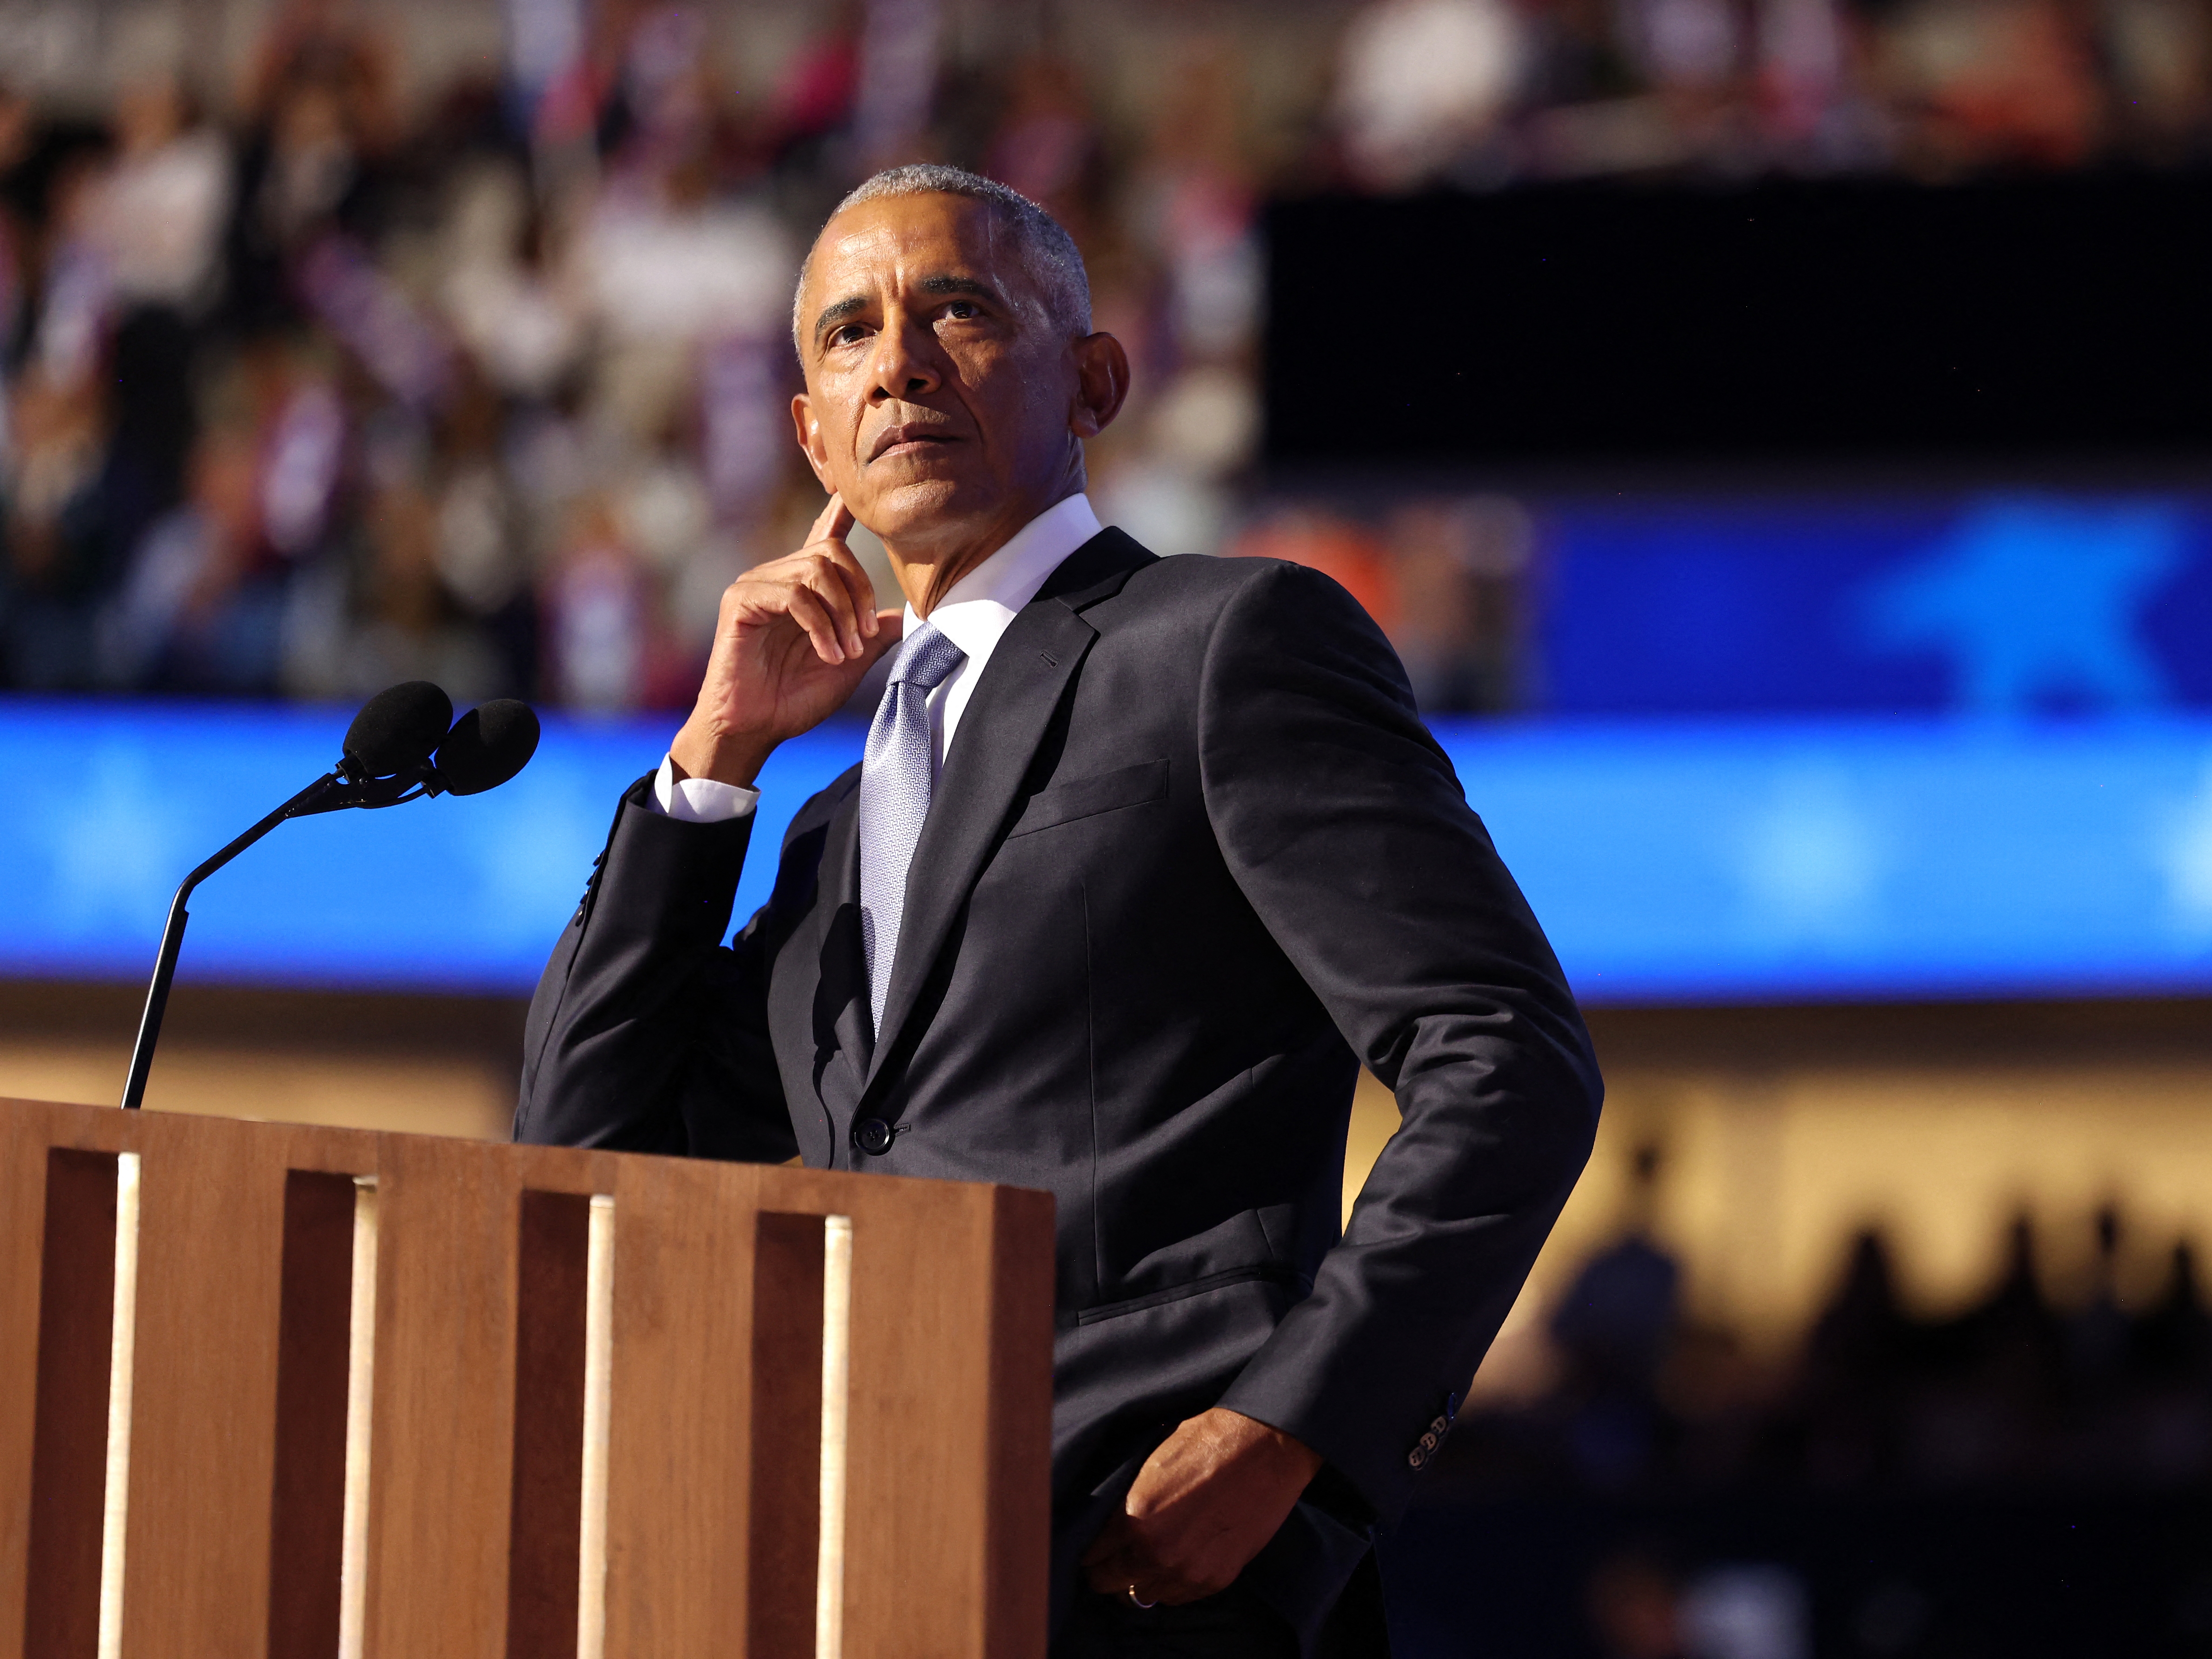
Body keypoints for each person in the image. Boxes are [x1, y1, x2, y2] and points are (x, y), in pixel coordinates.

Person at [514, 162, 1602, 1656]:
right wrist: (708, 764)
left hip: (1154, 1571)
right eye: (845, 336)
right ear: (809, 435)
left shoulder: (1224, 644)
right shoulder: (834, 831)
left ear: (1092, 378)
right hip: (857, 1565)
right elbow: (586, 1151)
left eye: (953, 310)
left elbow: (1503, 1056)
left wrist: (1296, 1434)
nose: (894, 359)